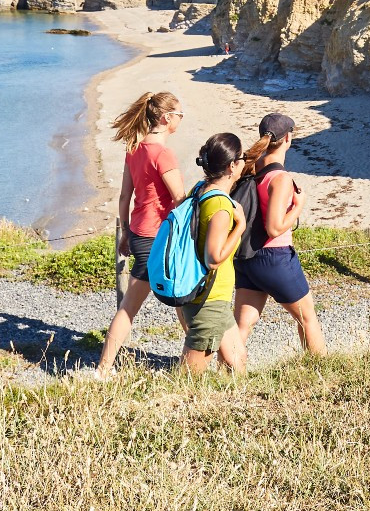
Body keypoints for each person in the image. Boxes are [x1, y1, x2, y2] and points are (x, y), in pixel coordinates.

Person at [95, 90, 189, 379]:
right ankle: (103, 369)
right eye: (180, 115)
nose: (181, 120)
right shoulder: (163, 153)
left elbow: (125, 196)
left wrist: (124, 233)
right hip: (158, 237)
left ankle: (193, 362)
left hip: (138, 232)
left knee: (180, 297)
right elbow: (180, 199)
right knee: (143, 304)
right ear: (166, 117)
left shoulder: (134, 148)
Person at [233, 112, 327, 357]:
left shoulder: (250, 168)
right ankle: (321, 368)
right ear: (288, 138)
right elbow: (274, 227)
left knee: (243, 325)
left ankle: (227, 376)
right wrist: (298, 206)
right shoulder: (281, 177)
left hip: (246, 257)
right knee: (306, 317)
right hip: (274, 257)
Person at [181, 132, 248, 375]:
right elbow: (213, 258)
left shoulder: (199, 189)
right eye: (242, 158)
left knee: (238, 361)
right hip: (208, 299)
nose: (243, 163)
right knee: (188, 379)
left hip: (209, 297)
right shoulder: (220, 205)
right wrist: (240, 226)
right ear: (232, 166)